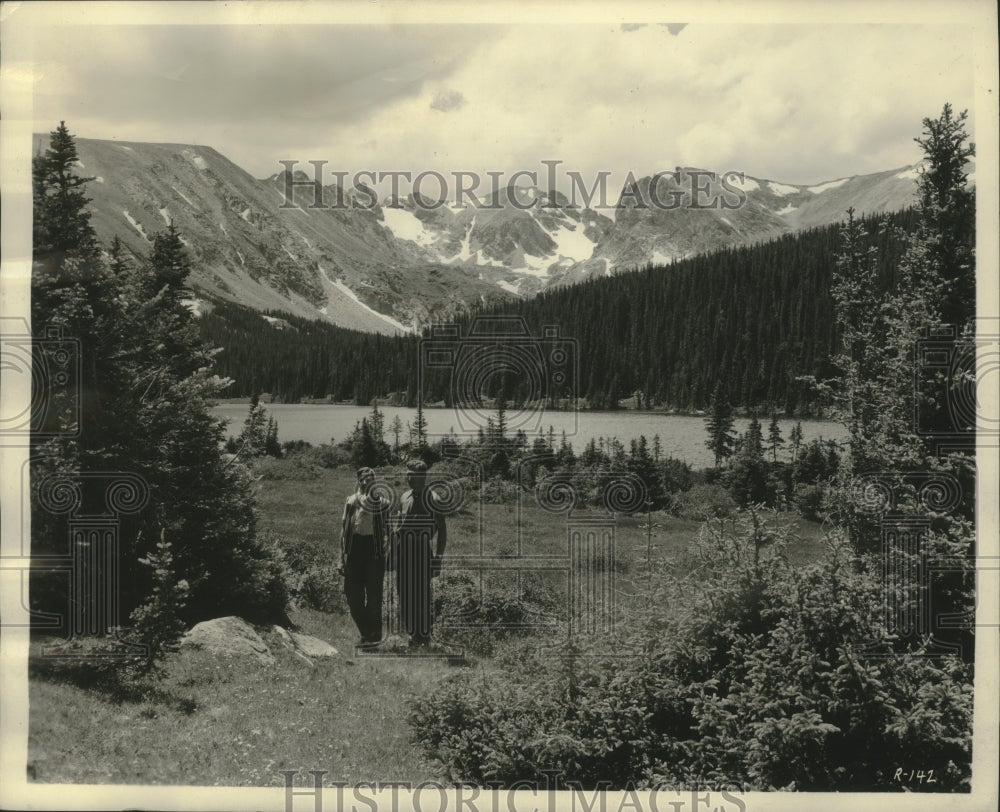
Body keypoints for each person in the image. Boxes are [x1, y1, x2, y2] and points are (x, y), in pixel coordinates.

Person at [392, 459, 447, 647]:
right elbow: (398, 524)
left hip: (422, 551)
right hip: (403, 551)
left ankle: (423, 637)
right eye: (408, 474)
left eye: (412, 475)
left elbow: (442, 531)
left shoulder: (434, 499)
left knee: (421, 595)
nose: (408, 477)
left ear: (422, 477)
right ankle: (412, 633)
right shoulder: (404, 496)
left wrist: (438, 559)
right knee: (404, 592)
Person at [340, 466, 389, 648]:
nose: (366, 481)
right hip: (354, 551)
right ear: (358, 481)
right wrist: (341, 557)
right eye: (363, 478)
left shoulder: (383, 503)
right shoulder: (350, 501)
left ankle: (373, 638)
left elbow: (389, 532)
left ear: (374, 481)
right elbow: (344, 530)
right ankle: (367, 631)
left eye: (370, 478)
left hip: (374, 552)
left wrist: (388, 553)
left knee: (375, 596)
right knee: (353, 596)